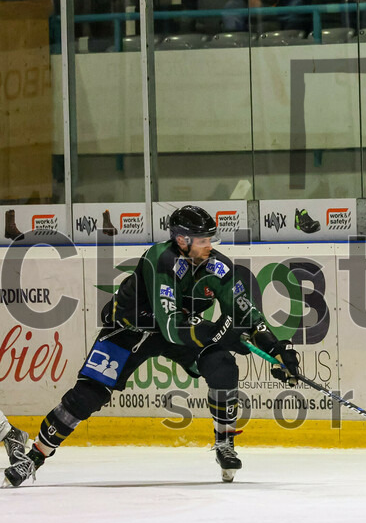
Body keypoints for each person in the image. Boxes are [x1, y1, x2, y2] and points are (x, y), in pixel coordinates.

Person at [2, 206, 301, 488]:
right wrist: (220, 332)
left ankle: (225, 441)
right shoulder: (161, 259)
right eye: (202, 240)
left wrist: (277, 350)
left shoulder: (219, 268)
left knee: (222, 365)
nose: (209, 245)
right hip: (130, 330)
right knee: (88, 395)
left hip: (181, 329)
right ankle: (35, 456)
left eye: (211, 239)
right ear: (182, 240)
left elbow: (246, 315)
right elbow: (170, 326)